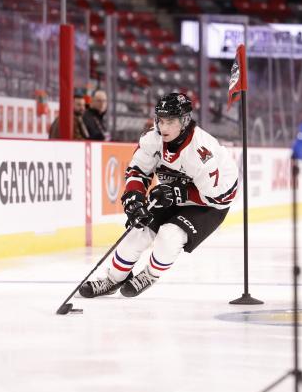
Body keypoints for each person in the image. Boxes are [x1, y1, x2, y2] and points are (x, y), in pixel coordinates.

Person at [79, 92, 239, 298]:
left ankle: (149, 275)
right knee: (137, 230)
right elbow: (137, 171)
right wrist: (134, 197)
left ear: (184, 121)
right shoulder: (152, 139)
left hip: (209, 203)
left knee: (170, 236)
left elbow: (217, 195)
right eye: (160, 120)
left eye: (170, 121)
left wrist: (177, 192)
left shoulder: (201, 151)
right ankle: (113, 279)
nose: (163, 127)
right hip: (173, 192)